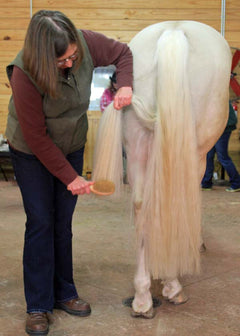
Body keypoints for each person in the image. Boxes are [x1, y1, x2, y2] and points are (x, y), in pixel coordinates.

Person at [5, 10, 133, 336]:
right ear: (43, 55)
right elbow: (35, 136)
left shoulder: (86, 44)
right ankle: (37, 305)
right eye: (62, 61)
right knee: (41, 222)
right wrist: (70, 177)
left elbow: (123, 53)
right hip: (31, 152)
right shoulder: (24, 72)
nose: (71, 64)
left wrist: (125, 86)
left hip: (71, 143)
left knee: (62, 223)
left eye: (73, 56)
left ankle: (64, 293)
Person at [201, 101, 240, 192]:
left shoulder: (215, 94)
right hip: (214, 128)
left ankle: (237, 183)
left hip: (222, 128)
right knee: (208, 155)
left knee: (222, 157)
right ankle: (206, 183)